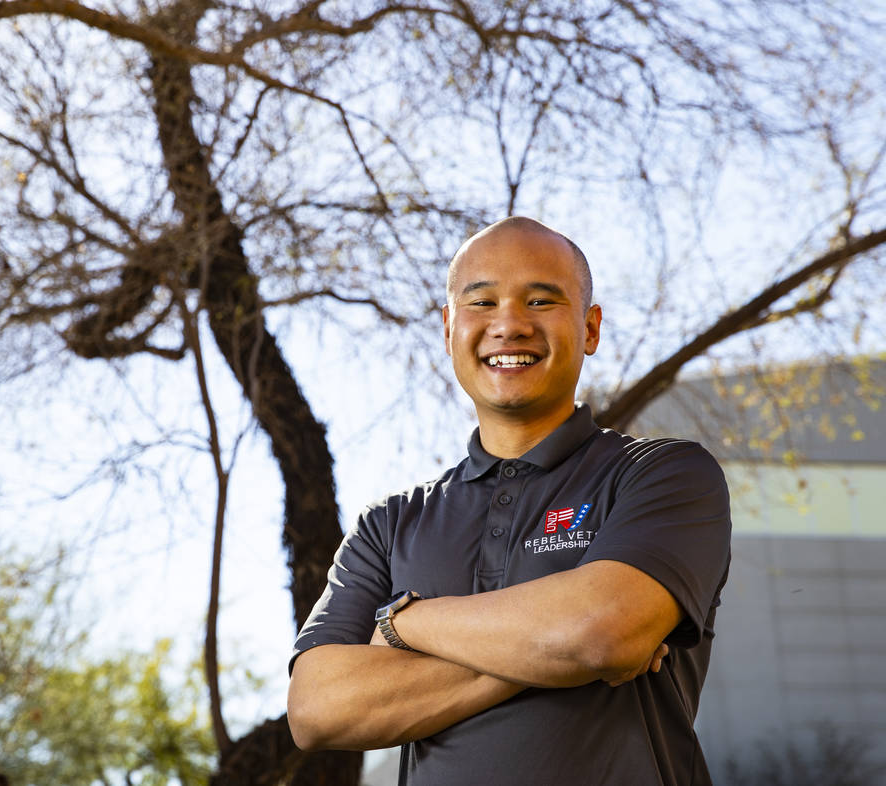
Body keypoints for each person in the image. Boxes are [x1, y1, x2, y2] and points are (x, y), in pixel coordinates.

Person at [287, 217, 731, 785]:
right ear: (449, 328)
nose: (510, 325)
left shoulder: (662, 473)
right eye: (482, 302)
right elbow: (317, 710)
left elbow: (604, 630)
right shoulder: (390, 524)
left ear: (590, 329)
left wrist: (406, 623)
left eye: (542, 301)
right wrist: (563, 651)